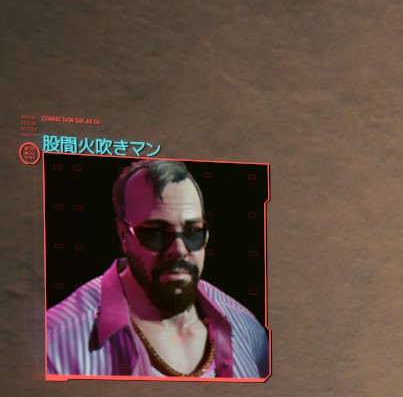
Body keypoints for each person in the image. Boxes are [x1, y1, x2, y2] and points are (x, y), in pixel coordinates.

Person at [46, 158, 267, 379]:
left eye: (192, 231)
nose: (179, 250)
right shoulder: (54, 344)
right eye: (156, 233)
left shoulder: (245, 326)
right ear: (123, 235)